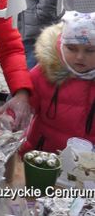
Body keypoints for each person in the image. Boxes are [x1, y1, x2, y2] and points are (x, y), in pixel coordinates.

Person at [20, 11, 95, 154]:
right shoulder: (45, 71)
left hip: (87, 167)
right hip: (43, 159)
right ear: (61, 45)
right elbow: (23, 106)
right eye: (71, 48)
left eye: (90, 51)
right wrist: (10, 117)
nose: (79, 57)